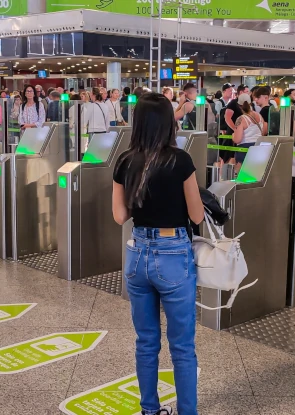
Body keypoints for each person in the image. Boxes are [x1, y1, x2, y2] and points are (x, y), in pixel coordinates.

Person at [112, 92, 203, 415]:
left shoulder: (124, 161)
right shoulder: (180, 161)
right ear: (168, 122)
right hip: (173, 255)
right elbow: (196, 216)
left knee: (146, 342)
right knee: (182, 347)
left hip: (137, 256)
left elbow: (120, 216)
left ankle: (150, 410)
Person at [232, 93, 265, 168]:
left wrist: (233, 135)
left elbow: (237, 139)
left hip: (244, 150)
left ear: (239, 106)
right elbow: (263, 132)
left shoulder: (241, 119)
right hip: (258, 148)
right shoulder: (259, 116)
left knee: (242, 177)